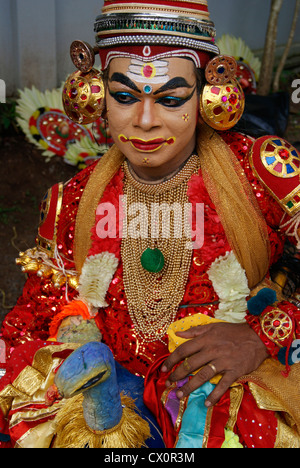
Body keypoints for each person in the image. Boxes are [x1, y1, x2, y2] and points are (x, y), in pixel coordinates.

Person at [1, 0, 300, 449]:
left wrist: (264, 334)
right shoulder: (74, 201)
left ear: (207, 95)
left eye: (170, 98)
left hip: (228, 397)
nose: (144, 121)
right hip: (113, 399)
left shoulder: (263, 171)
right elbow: (36, 312)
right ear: (97, 96)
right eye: (124, 96)